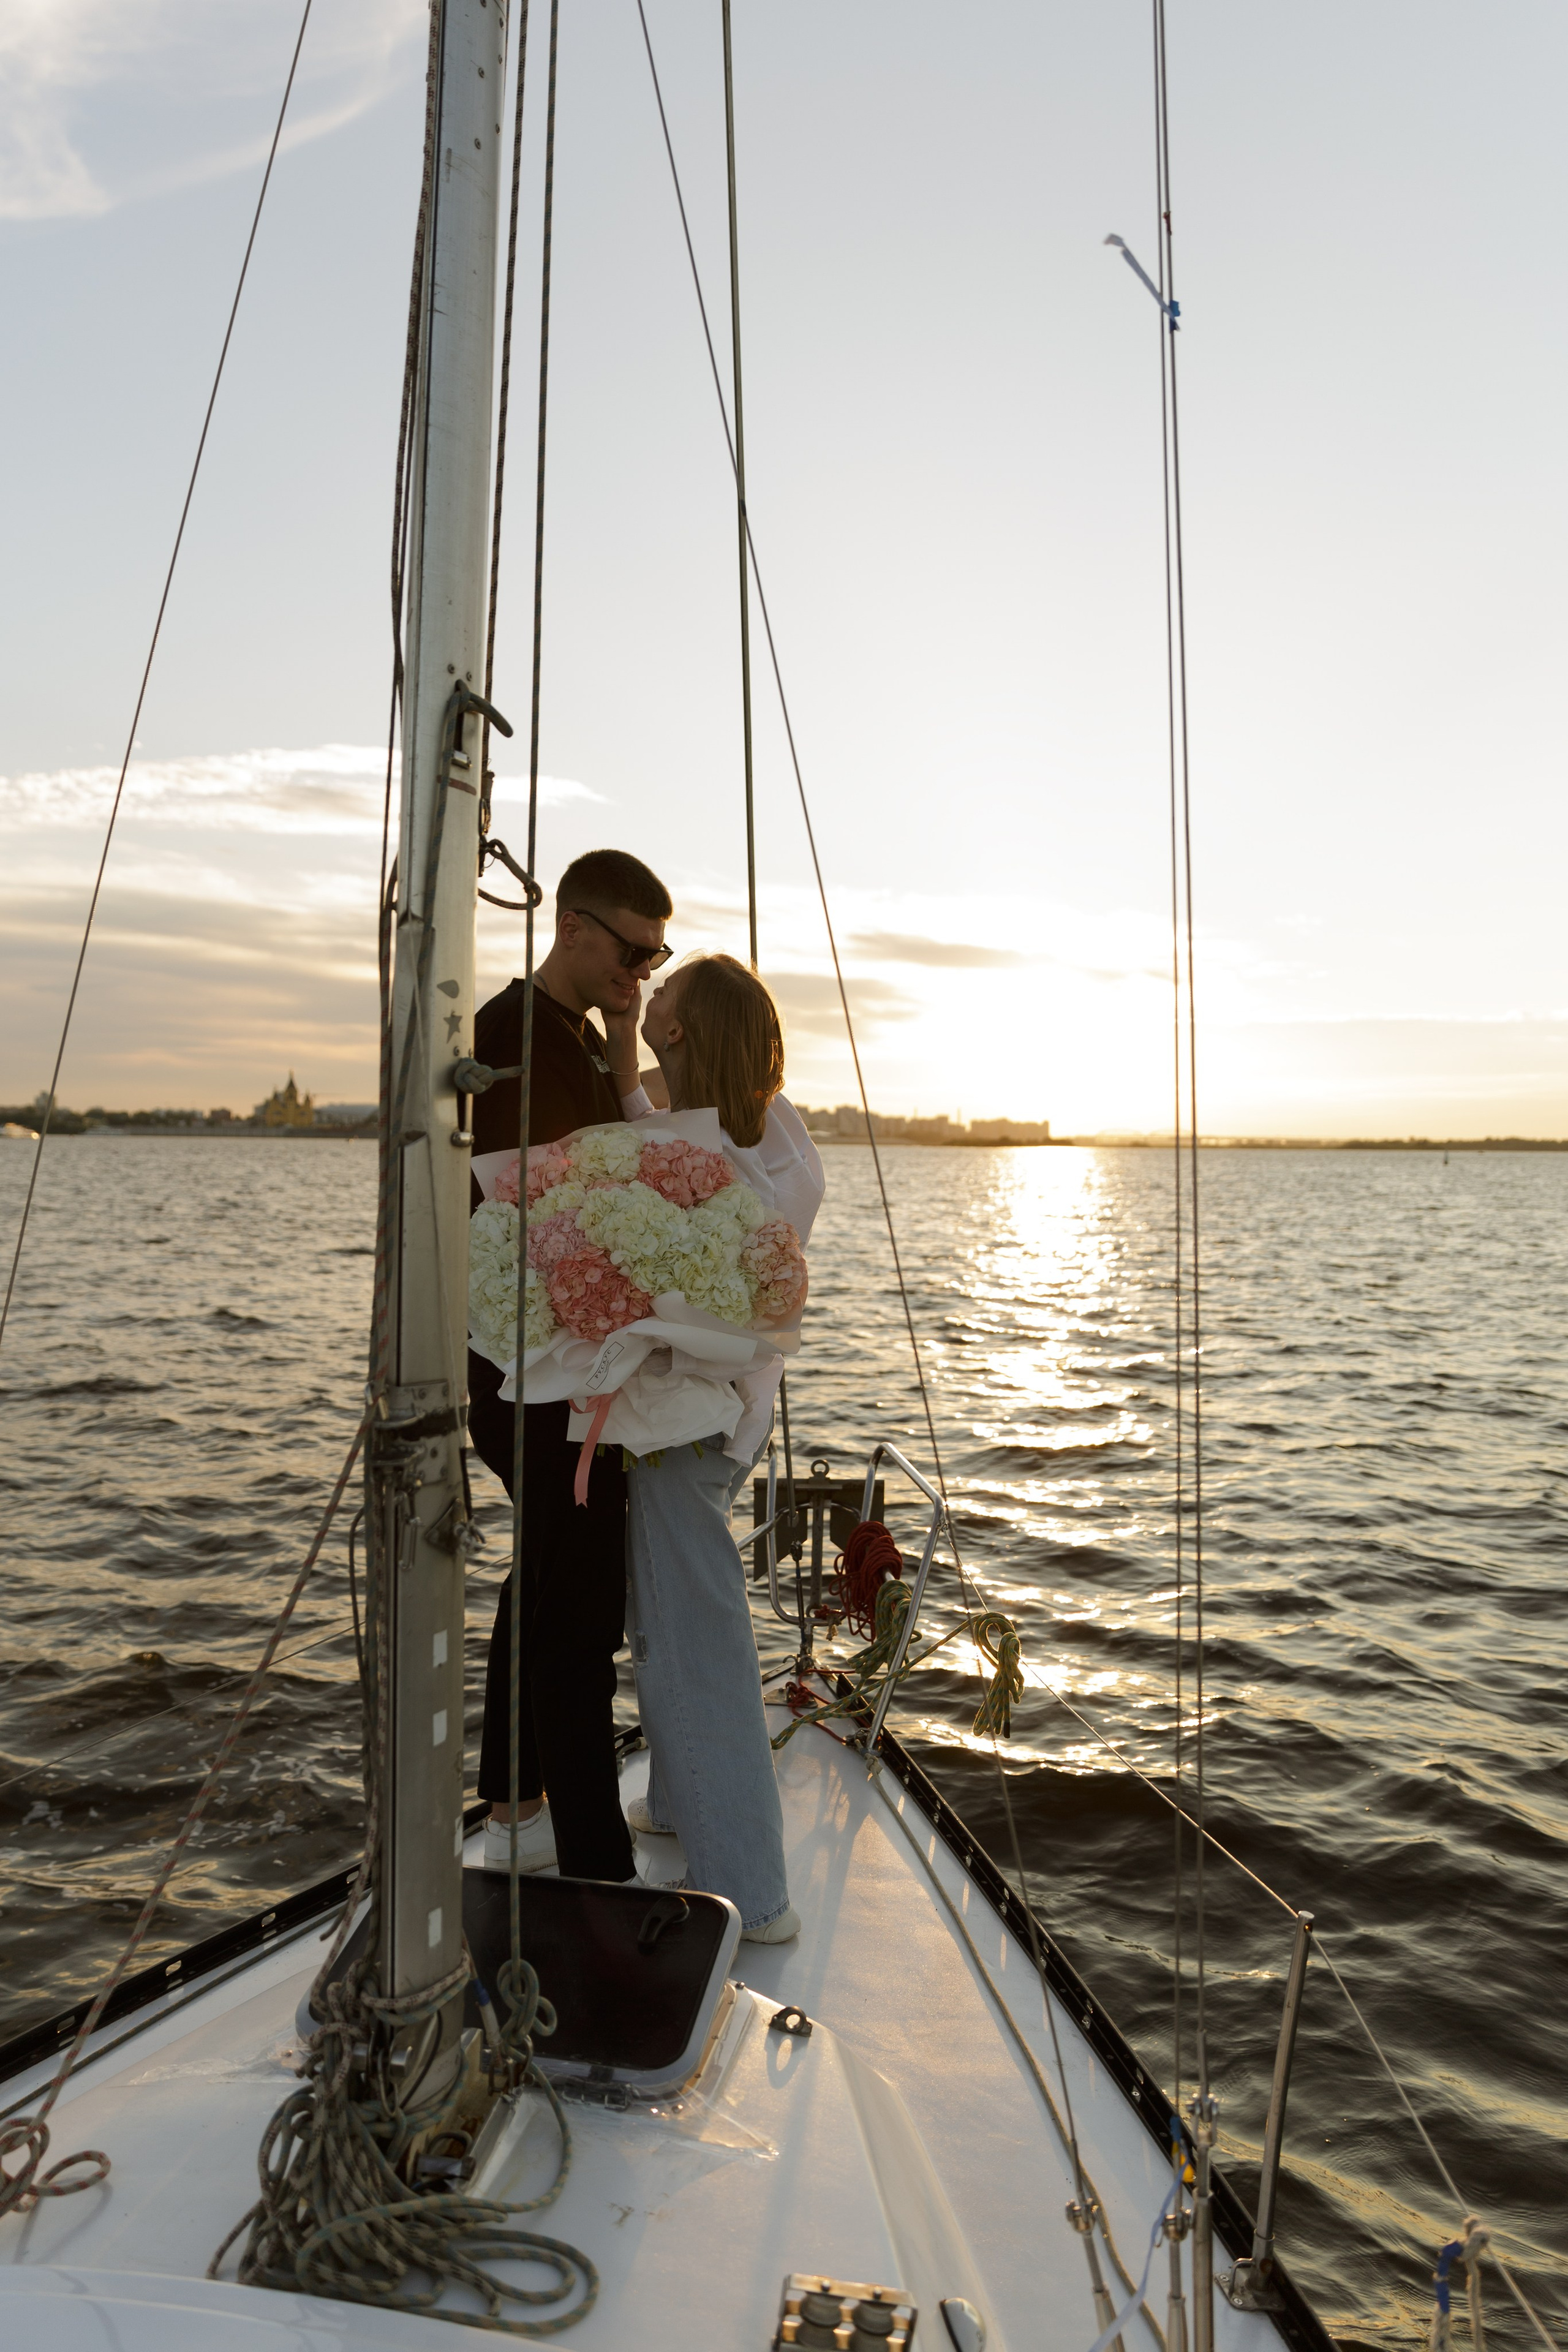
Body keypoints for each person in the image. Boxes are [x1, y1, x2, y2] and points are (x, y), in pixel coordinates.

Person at [467, 848, 674, 1883]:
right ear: (573, 925)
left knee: (547, 1576)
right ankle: (597, 1863)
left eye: (657, 954)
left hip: (560, 1360)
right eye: (632, 950)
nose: (642, 970)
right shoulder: (512, 1033)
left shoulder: (585, 1041)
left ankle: (513, 1800)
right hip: (529, 1369)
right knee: (579, 1607)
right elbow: (546, 1204)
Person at [619, 954, 826, 1941]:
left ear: (686, 1035)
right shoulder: (777, 1141)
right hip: (737, 1417)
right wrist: (641, 1039)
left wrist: (625, 1038)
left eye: (665, 997)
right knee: (667, 1619)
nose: (651, 997)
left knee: (697, 1641)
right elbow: (663, 1103)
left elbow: (638, 1138)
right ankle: (672, 1803)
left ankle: (751, 1890)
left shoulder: (698, 1163)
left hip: (682, 1425)